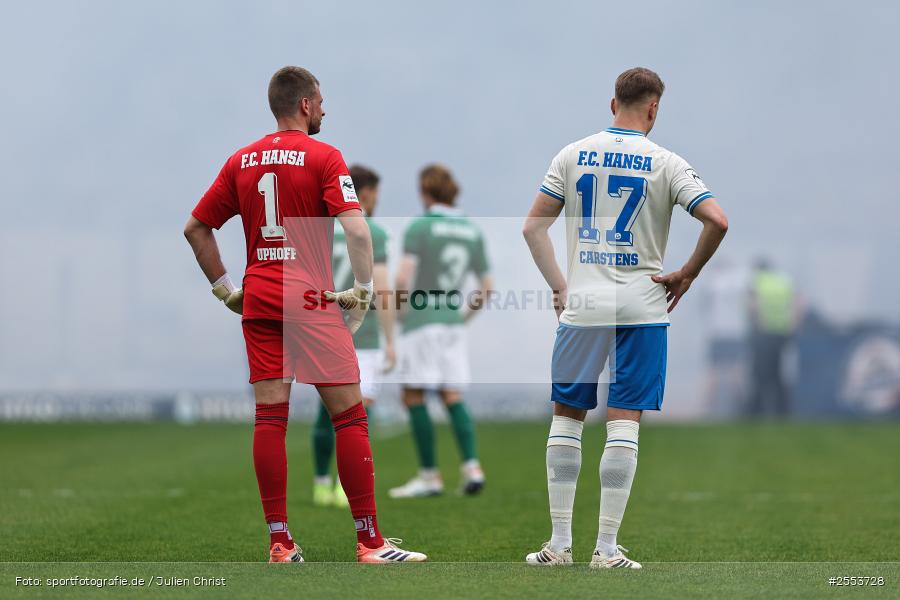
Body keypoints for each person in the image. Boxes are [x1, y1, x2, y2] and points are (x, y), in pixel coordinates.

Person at [183, 66, 425, 564]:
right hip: (310, 300)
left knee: (270, 417)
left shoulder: (240, 160)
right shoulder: (324, 156)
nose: (326, 110)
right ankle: (371, 542)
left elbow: (195, 228)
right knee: (350, 417)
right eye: (322, 101)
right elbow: (358, 233)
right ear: (307, 105)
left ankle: (279, 541)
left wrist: (227, 290)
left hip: (261, 297)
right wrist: (360, 290)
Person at [522, 67, 728, 568]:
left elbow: (533, 228)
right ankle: (607, 549)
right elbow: (717, 220)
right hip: (643, 304)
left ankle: (558, 546)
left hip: (585, 303)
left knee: (567, 416)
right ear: (653, 108)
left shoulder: (572, 154)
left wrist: (560, 285)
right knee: (623, 423)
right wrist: (687, 273)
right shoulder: (668, 162)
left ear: (612, 103)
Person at [389, 164, 493, 498]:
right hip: (451, 316)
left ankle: (430, 476)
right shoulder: (471, 230)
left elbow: (403, 278)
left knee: (412, 394)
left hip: (422, 317)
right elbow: (487, 287)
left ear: (425, 192)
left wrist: (402, 312)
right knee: (452, 395)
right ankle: (472, 467)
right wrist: (461, 318)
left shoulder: (421, 226)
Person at [311, 164, 396, 507]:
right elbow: (383, 289)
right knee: (359, 415)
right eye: (374, 194)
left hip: (325, 332)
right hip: (365, 333)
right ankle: (348, 488)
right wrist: (391, 341)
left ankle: (320, 484)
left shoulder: (320, 229)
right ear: (365, 194)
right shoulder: (372, 230)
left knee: (325, 411)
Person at [748, 258, 796, 416]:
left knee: (760, 375)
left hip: (764, 333)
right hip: (782, 334)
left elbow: (753, 307)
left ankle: (757, 412)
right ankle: (783, 411)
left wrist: (755, 327)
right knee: (778, 375)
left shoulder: (758, 281)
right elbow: (797, 304)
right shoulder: (783, 281)